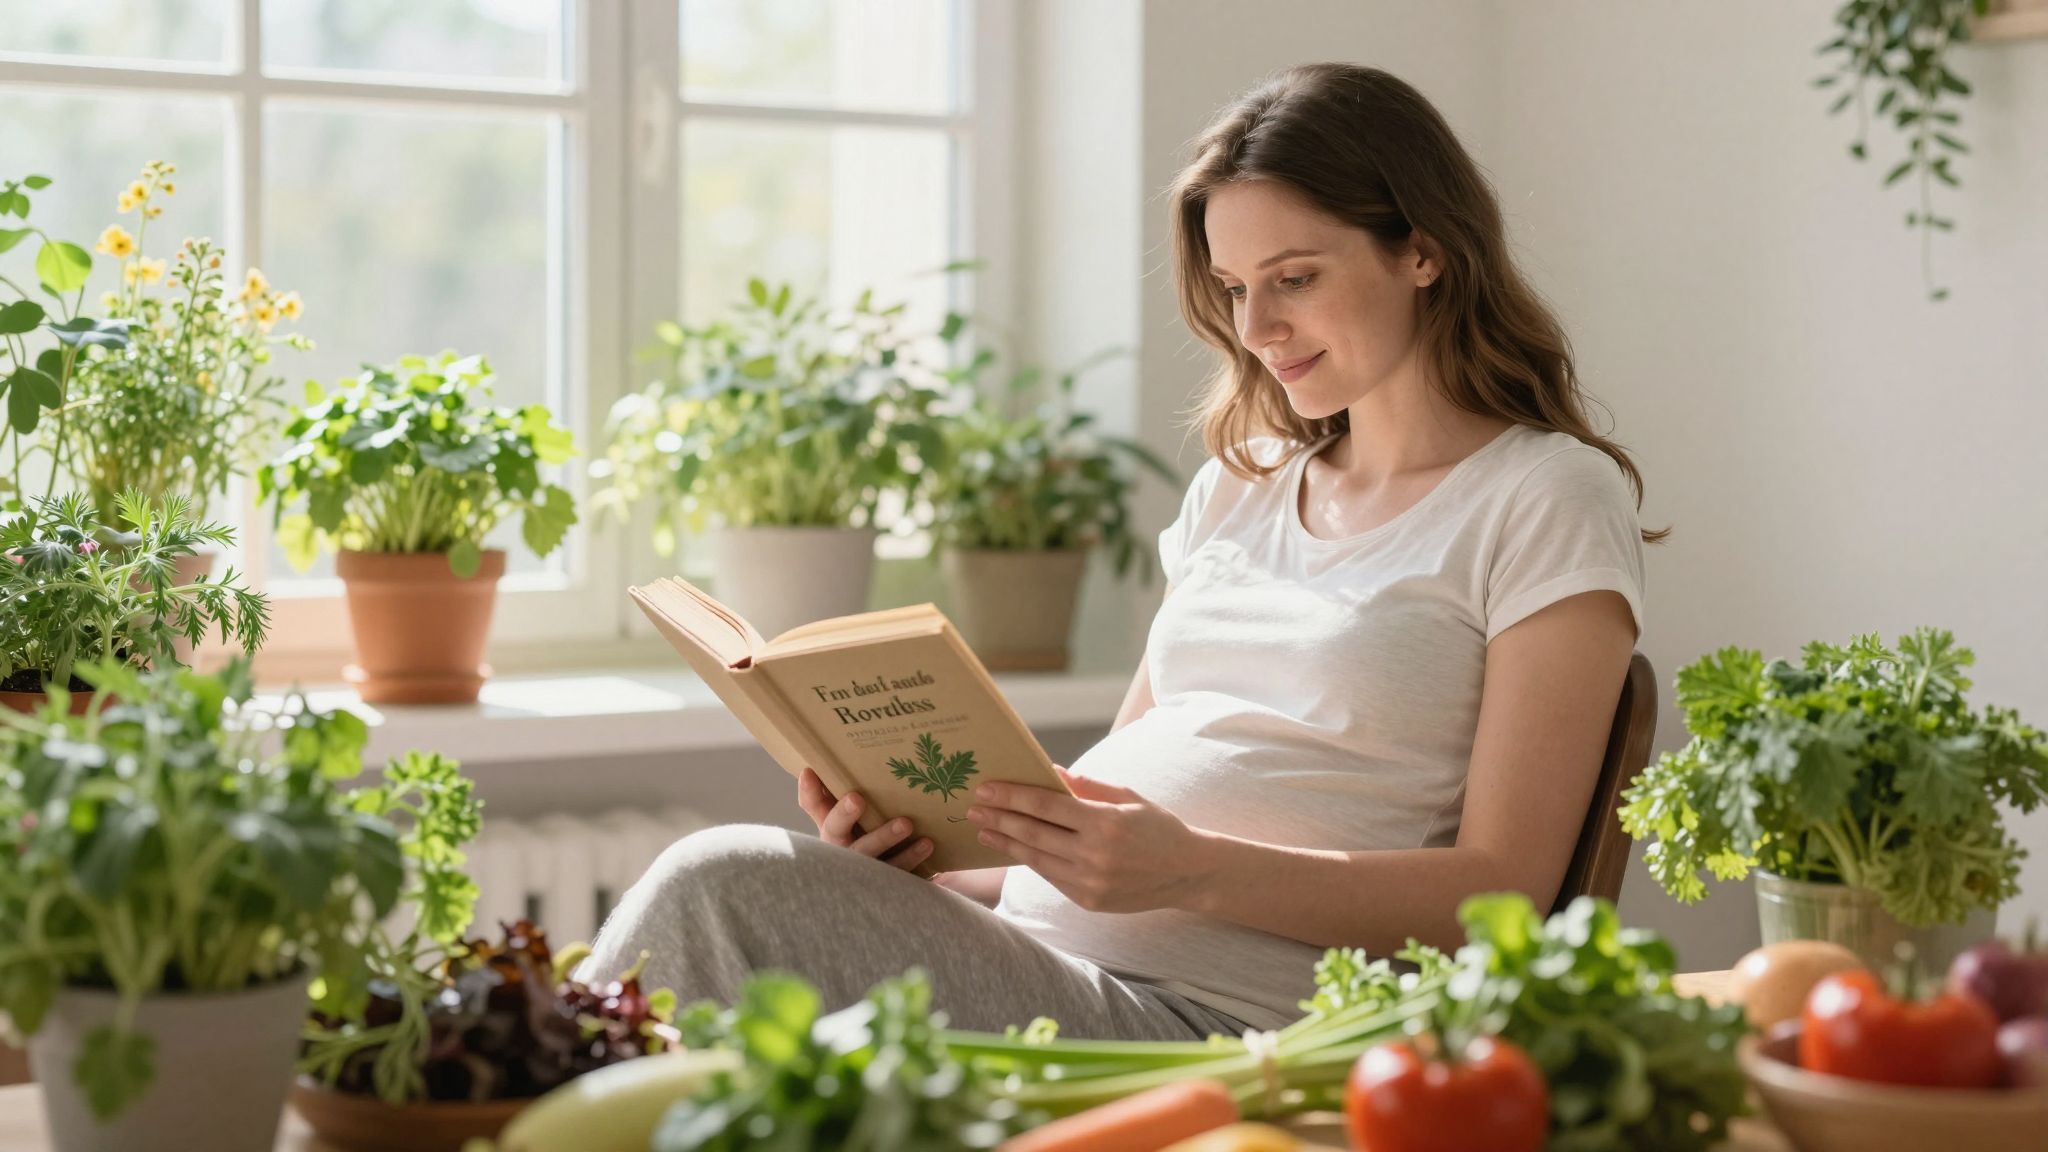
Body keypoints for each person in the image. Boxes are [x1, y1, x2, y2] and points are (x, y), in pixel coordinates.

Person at [582, 62, 1651, 1041]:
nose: (1257, 329)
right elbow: (1099, 834)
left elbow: (1504, 898)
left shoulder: (1542, 495)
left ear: (1422, 249)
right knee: (729, 924)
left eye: (1293, 277)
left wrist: (1195, 872)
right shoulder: (1240, 487)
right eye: (1234, 288)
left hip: (1224, 1028)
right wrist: (923, 868)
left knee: (716, 885)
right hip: (1051, 964)